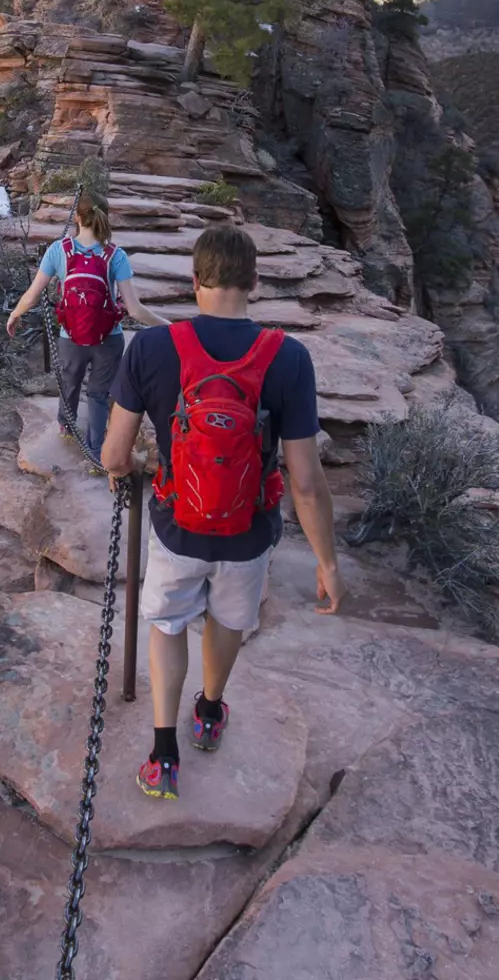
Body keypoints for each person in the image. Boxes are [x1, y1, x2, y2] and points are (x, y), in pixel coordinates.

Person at [100, 223, 343, 801]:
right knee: (228, 622)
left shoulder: (153, 349)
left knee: (167, 624)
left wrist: (124, 470)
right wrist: (328, 562)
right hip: (248, 533)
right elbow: (306, 482)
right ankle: (209, 713)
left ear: (195, 280)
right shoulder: (289, 359)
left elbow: (114, 453)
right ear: (255, 281)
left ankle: (164, 755)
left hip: (175, 524)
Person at [6, 194, 166, 455]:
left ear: (77, 217)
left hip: (71, 337)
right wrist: (168, 324)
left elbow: (32, 294)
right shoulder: (116, 255)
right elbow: (135, 309)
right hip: (109, 337)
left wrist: (15, 313)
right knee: (99, 394)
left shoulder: (59, 250)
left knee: (70, 382)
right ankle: (95, 449)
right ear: (105, 217)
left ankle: (66, 426)